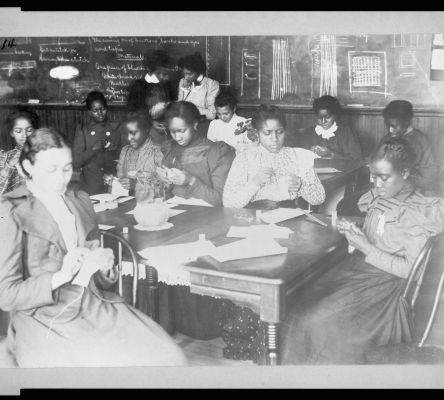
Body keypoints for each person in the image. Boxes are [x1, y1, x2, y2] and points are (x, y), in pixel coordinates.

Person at [0, 127, 186, 367]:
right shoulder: (10, 211)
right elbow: (7, 295)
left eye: (67, 168)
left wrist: (105, 266)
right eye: (51, 170)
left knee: (168, 356)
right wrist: (60, 276)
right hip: (43, 317)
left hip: (94, 303)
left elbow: (99, 277)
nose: (61, 178)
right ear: (27, 168)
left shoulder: (80, 201)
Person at [280, 137, 444, 364]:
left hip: (385, 288)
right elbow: (379, 227)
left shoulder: (416, 211)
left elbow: (409, 270)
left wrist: (365, 246)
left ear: (405, 173)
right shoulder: (384, 193)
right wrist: (356, 230)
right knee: (297, 304)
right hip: (359, 270)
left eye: (383, 178)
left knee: (317, 322)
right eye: (372, 176)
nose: (376, 184)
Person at [223, 105, 325, 209]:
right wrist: (255, 182)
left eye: (279, 132)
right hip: (256, 219)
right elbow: (229, 203)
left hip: (293, 217)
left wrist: (301, 186)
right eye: (267, 133)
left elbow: (319, 198)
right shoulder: (245, 159)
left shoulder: (298, 156)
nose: (274, 139)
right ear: (257, 133)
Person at [161, 101, 235, 207]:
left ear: (195, 124)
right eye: (173, 132)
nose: (177, 137)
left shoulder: (216, 152)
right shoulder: (170, 148)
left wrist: (191, 181)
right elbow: (167, 194)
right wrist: (165, 183)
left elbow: (221, 201)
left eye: (181, 131)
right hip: (174, 210)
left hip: (207, 215)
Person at [380, 100, 438, 193]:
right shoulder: (389, 137)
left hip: (420, 187)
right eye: (388, 125)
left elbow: (396, 168)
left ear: (406, 122)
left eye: (394, 126)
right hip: (396, 181)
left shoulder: (416, 140)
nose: (390, 130)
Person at [72, 91, 122, 195]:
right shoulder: (83, 130)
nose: (100, 113)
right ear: (89, 112)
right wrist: (93, 149)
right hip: (91, 185)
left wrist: (115, 150)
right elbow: (76, 162)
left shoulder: (116, 127)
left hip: (112, 183)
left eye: (102, 109)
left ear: (106, 108)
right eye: (95, 110)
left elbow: (125, 156)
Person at [112, 112, 164, 196]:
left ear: (146, 130)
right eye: (126, 133)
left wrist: (136, 185)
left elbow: (165, 185)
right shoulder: (126, 151)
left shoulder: (158, 152)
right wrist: (113, 182)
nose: (129, 138)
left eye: (133, 133)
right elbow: (120, 177)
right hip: (128, 202)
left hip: (151, 204)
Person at [296, 95, 363, 161]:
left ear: (335, 115)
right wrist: (309, 152)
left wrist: (331, 154)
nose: (323, 121)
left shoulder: (346, 132)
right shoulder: (309, 132)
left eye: (327, 117)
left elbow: (357, 159)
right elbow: (300, 158)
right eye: (320, 117)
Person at [0, 109, 39, 194]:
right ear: (12, 133)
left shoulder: (43, 154)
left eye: (29, 130)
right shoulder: (4, 156)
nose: (24, 135)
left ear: (35, 131)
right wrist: (9, 165)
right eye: (18, 131)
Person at [177, 52, 220, 120]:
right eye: (184, 73)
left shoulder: (212, 85)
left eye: (189, 74)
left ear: (198, 71)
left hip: (202, 124)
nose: (185, 77)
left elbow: (212, 114)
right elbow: (179, 107)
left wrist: (189, 108)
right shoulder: (182, 81)